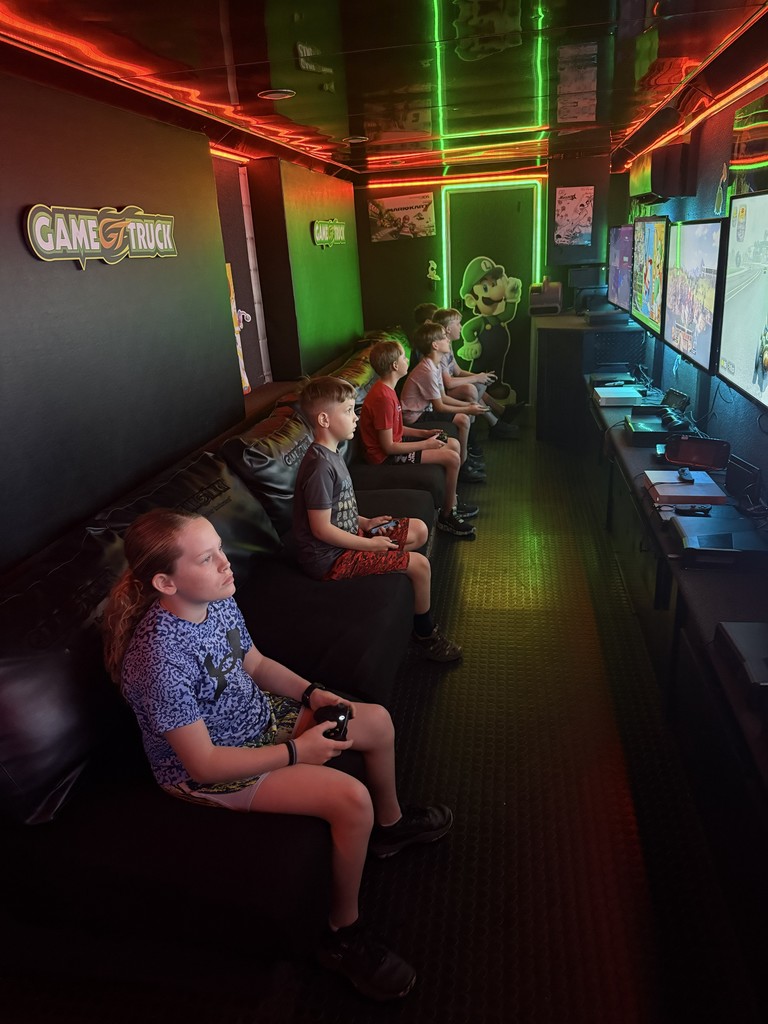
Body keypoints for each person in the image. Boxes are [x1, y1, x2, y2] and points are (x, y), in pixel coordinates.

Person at [102, 507, 454, 1002]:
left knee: (376, 721)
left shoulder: (217, 599)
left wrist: (312, 693)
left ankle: (390, 828)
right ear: (165, 582)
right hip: (210, 767)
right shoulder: (159, 660)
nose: (225, 563)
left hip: (259, 718)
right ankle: (341, 934)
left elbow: (256, 663)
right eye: (207, 558)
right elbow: (203, 763)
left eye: (220, 549)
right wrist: (296, 752)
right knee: (351, 800)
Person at [294, 375, 462, 661]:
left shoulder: (331, 453)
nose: (355, 417)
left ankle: (385, 567)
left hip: (351, 537)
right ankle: (424, 635)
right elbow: (321, 529)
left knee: (419, 530)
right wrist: (370, 545)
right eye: (348, 411)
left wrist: (365, 522)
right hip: (331, 558)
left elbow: (338, 510)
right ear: (324, 419)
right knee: (420, 565)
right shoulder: (319, 467)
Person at [360, 338, 478, 537]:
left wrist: (424, 433)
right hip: (385, 457)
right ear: (395, 365)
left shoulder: (388, 390)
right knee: (451, 457)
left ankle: (452, 501)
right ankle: (447, 515)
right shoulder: (383, 397)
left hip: (394, 446)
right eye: (403, 357)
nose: (407, 360)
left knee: (453, 443)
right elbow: (388, 447)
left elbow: (396, 430)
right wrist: (426, 444)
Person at [400, 320, 488, 483]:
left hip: (424, 411)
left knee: (463, 417)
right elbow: (439, 406)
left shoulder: (436, 365)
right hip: (414, 417)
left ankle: (464, 460)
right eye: (443, 337)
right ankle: (463, 465)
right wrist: (468, 409)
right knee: (463, 419)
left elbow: (444, 397)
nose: (448, 339)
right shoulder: (427, 370)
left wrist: (469, 405)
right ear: (435, 345)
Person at [431, 307, 520, 441]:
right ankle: (481, 430)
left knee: (479, 384)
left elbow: (458, 371)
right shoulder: (441, 351)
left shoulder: (448, 346)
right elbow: (447, 383)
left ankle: (496, 421)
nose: (461, 327)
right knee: (472, 388)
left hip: (447, 387)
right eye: (458, 324)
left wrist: (481, 376)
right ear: (448, 329)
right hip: (441, 392)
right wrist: (477, 378)